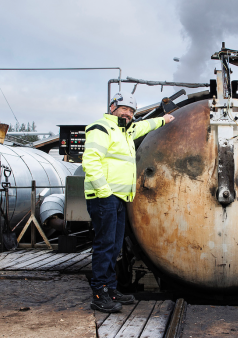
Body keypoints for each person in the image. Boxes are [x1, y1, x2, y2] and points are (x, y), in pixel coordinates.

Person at [82, 91, 174, 313]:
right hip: (104, 197)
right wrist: (103, 191)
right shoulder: (101, 128)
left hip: (120, 198)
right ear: (113, 108)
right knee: (104, 245)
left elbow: (144, 127)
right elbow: (90, 161)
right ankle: (99, 293)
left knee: (114, 246)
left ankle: (111, 288)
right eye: (124, 108)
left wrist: (164, 119)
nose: (128, 113)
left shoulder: (126, 131)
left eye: (132, 111)